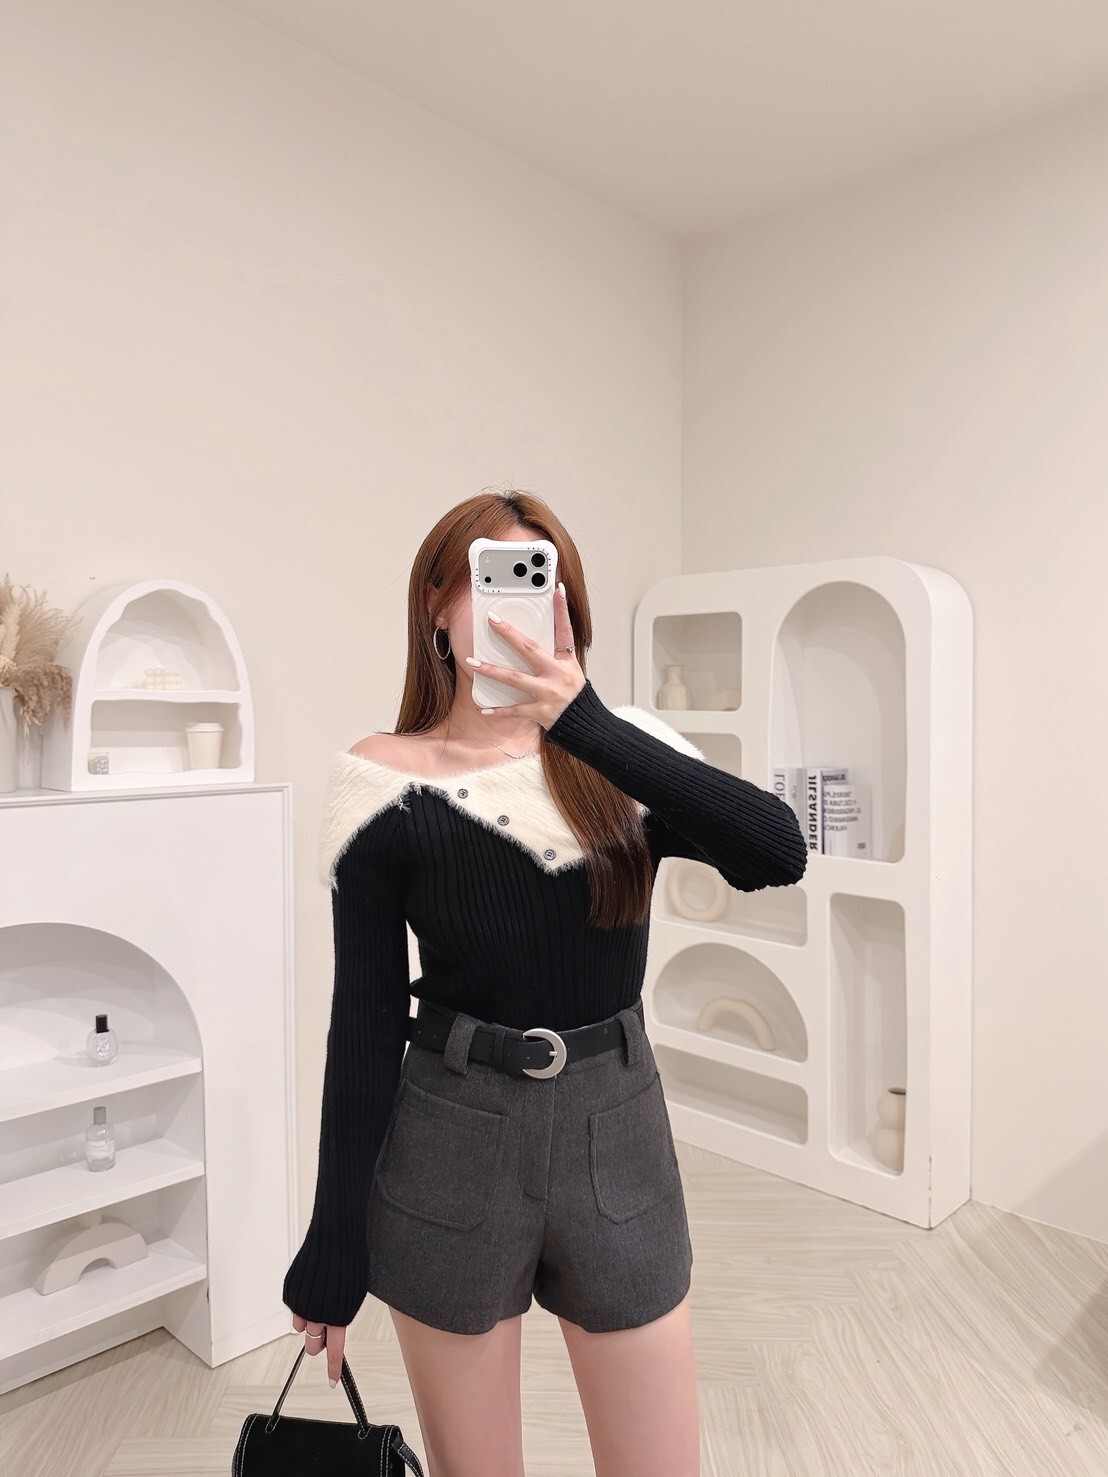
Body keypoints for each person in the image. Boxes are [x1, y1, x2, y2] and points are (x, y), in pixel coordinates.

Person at [283, 489, 808, 1477]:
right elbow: (363, 1023)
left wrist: (584, 723)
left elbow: (775, 851)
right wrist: (332, 1245)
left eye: (538, 580)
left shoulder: (620, 753)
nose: (516, 603)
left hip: (618, 1130)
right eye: (491, 578)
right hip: (451, 1135)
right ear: (437, 604)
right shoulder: (380, 777)